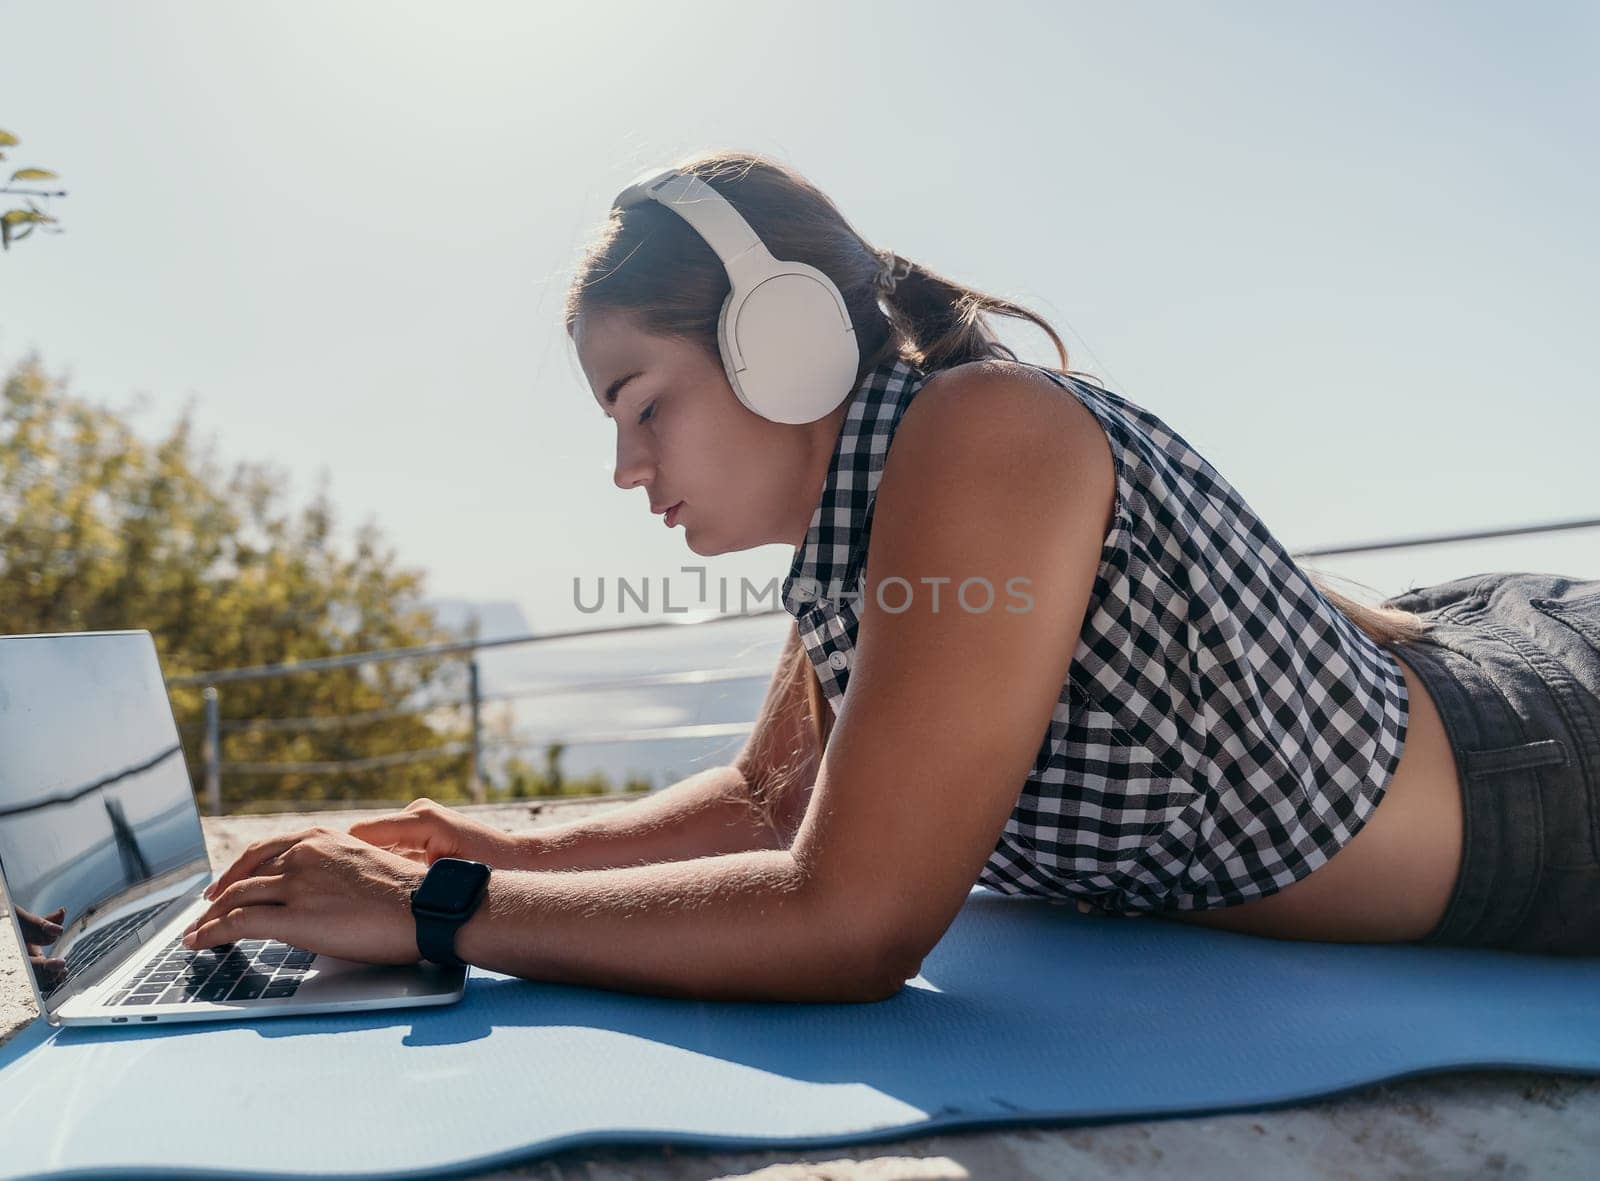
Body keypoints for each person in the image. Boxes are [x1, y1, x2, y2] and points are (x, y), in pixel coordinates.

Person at [185, 150, 1600, 999]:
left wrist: (431, 911)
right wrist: (492, 846)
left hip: (1552, 764)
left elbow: (848, 918)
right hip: (1463, 676)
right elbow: (767, 798)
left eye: (641, 404)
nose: (625, 469)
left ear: (776, 340)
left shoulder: (981, 436)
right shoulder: (860, 531)